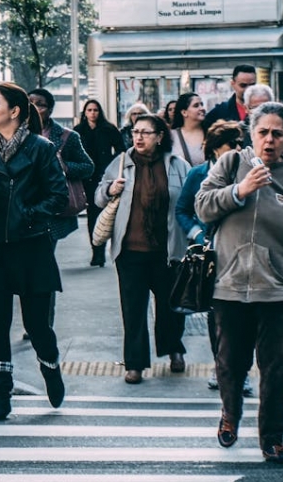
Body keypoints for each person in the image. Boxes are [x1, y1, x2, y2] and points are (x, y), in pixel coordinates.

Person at [195, 102, 283, 465]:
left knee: (276, 366)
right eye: (263, 132)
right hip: (230, 284)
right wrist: (240, 190)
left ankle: (272, 438)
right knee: (229, 362)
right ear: (250, 133)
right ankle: (230, 412)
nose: (270, 140)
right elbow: (203, 206)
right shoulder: (229, 165)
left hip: (282, 288)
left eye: (277, 133)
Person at [0, 83, 67, 421]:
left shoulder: (42, 148)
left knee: (37, 326)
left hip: (33, 245)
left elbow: (59, 196)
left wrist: (28, 215)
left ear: (15, 110)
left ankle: (50, 367)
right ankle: (1, 395)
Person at [94, 113, 190, 385]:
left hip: (168, 251)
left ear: (160, 137)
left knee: (171, 307)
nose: (138, 137)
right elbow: (98, 196)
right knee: (133, 309)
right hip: (130, 251)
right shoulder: (122, 163)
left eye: (145, 133)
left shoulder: (176, 165)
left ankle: (174, 349)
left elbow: (188, 201)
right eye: (135, 132)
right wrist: (111, 188)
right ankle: (135, 364)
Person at [173, 120, 251, 395]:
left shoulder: (248, 172)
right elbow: (182, 209)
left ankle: (240, 371)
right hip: (213, 255)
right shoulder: (199, 174)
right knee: (217, 314)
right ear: (217, 149)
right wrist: (197, 235)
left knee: (245, 313)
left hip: (243, 252)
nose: (240, 149)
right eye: (233, 144)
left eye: (242, 143)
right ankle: (221, 366)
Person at [29, 88, 94, 244]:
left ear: (50, 110)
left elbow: (88, 166)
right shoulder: (16, 134)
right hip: (24, 206)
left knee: (43, 257)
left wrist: (65, 167)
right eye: (29, 103)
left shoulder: (67, 136)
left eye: (40, 104)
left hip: (51, 206)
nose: (33, 108)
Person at [75, 98, 125, 267]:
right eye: (89, 110)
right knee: (92, 215)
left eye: (95, 110)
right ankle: (96, 250)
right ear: (85, 112)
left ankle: (102, 250)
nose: (93, 113)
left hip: (105, 176)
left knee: (104, 213)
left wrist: (111, 163)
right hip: (86, 178)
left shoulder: (108, 129)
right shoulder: (79, 130)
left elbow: (121, 150)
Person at [203, 64, 256, 129]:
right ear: (233, 84)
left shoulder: (264, 110)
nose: (248, 90)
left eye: (252, 85)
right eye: (243, 85)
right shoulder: (220, 111)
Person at [170, 92, 206, 166]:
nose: (202, 108)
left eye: (202, 104)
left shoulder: (212, 134)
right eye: (196, 106)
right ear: (184, 112)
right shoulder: (171, 136)